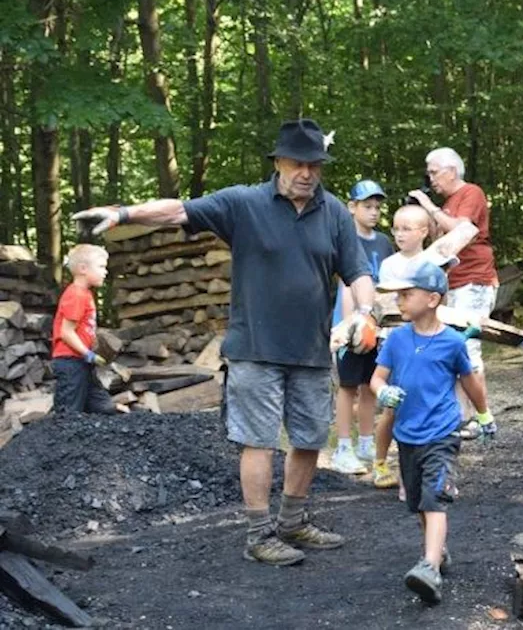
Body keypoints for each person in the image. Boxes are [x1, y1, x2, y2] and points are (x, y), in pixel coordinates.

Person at [73, 119, 378, 567]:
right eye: (298, 163)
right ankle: (259, 534)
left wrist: (365, 312)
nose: (307, 173)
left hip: (312, 350)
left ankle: (292, 521)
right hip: (254, 349)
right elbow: (179, 210)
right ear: (278, 162)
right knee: (258, 440)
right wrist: (123, 214)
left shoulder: (333, 211)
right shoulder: (244, 203)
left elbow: (357, 271)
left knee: (310, 438)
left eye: (315, 165)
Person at [370, 258, 496, 604]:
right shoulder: (396, 339)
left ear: (432, 299)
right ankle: (437, 550)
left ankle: (429, 566)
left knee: (435, 498)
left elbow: (469, 381)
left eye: (406, 294)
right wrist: (382, 391)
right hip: (407, 437)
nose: (399, 301)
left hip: (441, 435)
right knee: (419, 505)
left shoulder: (452, 343)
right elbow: (377, 377)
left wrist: (484, 415)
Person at [409, 147, 499, 440]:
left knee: (468, 346)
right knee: (453, 347)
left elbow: (463, 230)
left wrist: (429, 205)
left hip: (474, 279)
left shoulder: (471, 192)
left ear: (452, 170)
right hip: (452, 281)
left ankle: (473, 419)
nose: (431, 179)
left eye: (434, 172)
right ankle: (458, 416)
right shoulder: (449, 202)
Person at [366, 203, 457, 492]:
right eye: (396, 228)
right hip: (398, 340)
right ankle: (381, 463)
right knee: (394, 409)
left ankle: (435, 474)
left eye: (407, 228)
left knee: (433, 404)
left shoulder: (436, 261)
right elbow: (387, 303)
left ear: (424, 231)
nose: (399, 234)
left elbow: (443, 301)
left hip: (431, 343)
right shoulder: (390, 264)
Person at [330, 179, 396, 475]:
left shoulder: (383, 242)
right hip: (351, 324)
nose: (373, 212)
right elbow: (344, 284)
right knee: (347, 387)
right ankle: (343, 447)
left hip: (378, 324)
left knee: (371, 384)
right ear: (352, 207)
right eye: (367, 206)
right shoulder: (342, 239)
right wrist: (349, 324)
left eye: (377, 207)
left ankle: (367, 442)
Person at [50, 244, 120, 415]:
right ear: (83, 269)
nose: (105, 271)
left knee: (104, 408)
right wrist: (88, 354)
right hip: (70, 362)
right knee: (69, 413)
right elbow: (66, 332)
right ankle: (61, 440)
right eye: (101, 266)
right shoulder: (76, 294)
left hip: (81, 361)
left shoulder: (86, 294)